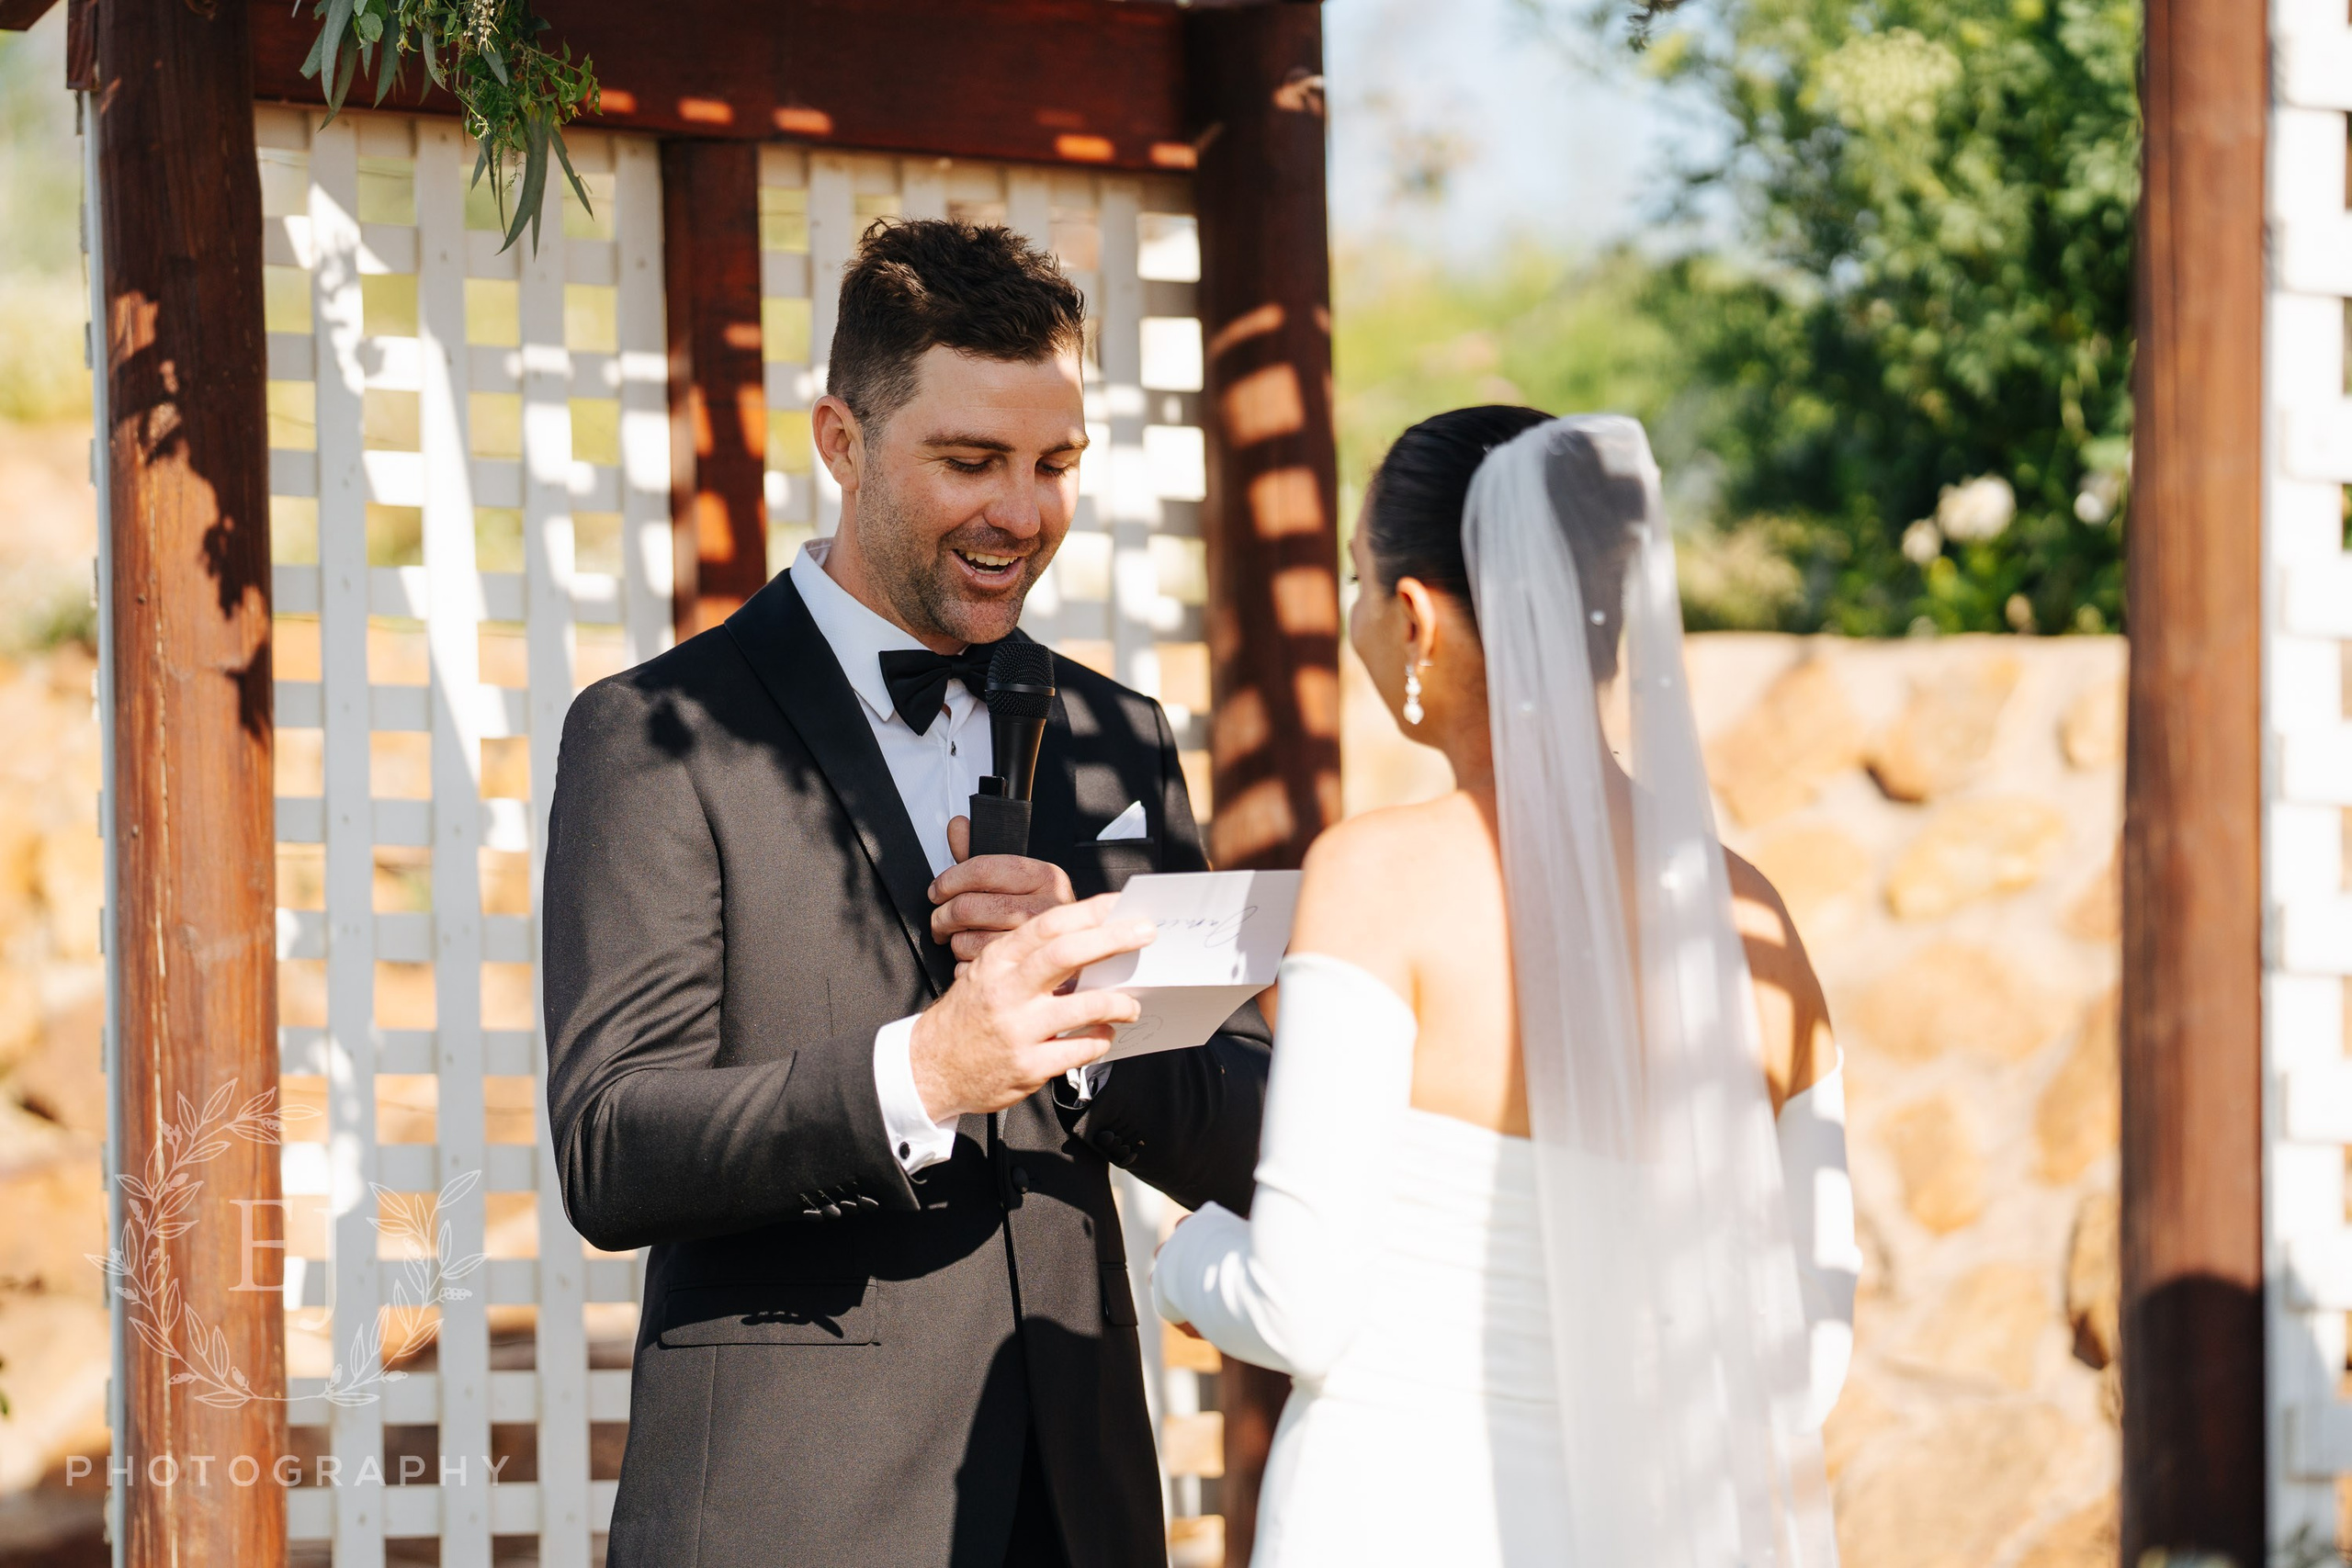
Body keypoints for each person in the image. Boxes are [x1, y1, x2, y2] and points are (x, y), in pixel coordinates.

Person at [542, 219, 1272, 1568]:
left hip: (1080, 1506)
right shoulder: (652, 731)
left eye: (1054, 464)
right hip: (796, 1513)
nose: (1023, 510)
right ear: (842, 440)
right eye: (970, 460)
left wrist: (1097, 1013)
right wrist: (925, 1071)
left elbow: (1249, 1128)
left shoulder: (1117, 734)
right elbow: (611, 1143)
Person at [1152, 409, 1860, 1566]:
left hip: (1394, 1516)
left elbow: (1299, 1305)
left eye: (1356, 584)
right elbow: (1803, 1363)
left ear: (1416, 616)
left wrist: (1182, 1259)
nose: (1354, 621)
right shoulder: (1752, 917)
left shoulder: (1379, 879)